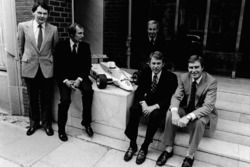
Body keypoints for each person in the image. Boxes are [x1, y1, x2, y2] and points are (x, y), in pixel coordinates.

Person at [156, 55, 218, 167]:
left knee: (199, 122)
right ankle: (168, 149)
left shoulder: (211, 82)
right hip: (187, 108)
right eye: (191, 67)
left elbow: (208, 107)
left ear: (202, 67)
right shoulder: (184, 77)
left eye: (196, 67)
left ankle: (190, 155)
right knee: (170, 113)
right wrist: (175, 113)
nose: (193, 71)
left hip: (202, 111)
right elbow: (176, 97)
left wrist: (188, 117)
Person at [124, 51, 178, 165]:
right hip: (145, 102)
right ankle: (132, 144)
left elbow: (169, 98)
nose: (156, 66)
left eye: (158, 63)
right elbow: (139, 91)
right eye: (153, 63)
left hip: (159, 105)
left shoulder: (171, 77)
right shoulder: (144, 73)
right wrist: (144, 105)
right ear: (149, 63)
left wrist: (153, 107)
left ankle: (144, 147)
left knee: (156, 115)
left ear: (163, 64)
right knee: (134, 109)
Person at [17, 2, 58, 136]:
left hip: (46, 68)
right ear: (33, 12)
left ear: (48, 15)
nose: (42, 16)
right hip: (30, 67)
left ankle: (47, 124)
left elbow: (55, 49)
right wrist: (25, 60)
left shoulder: (53, 29)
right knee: (32, 98)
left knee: (46, 98)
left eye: (45, 13)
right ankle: (33, 124)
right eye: (39, 12)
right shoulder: (23, 26)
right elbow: (20, 47)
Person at [54, 23, 94, 142]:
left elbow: (87, 67)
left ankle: (86, 123)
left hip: (80, 77)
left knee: (88, 91)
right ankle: (61, 129)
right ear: (71, 34)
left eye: (83, 33)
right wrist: (66, 81)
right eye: (80, 33)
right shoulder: (61, 46)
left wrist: (79, 79)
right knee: (65, 100)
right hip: (65, 78)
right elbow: (57, 67)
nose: (83, 35)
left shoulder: (85, 46)